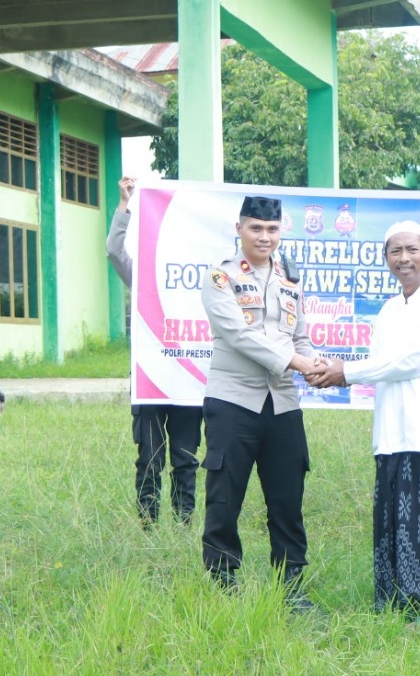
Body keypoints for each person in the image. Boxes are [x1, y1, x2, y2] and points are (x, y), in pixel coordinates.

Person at [307, 221, 420, 629]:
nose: (404, 258)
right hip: (392, 431)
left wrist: (347, 371)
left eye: (412, 249)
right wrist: (342, 370)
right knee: (394, 515)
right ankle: (397, 596)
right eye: (395, 251)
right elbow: (383, 367)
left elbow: (410, 361)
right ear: (386, 259)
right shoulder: (389, 308)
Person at [198, 195, 319, 611]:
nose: (264, 237)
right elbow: (239, 336)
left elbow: (299, 335)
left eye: (271, 229)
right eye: (256, 228)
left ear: (280, 231)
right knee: (224, 496)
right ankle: (222, 583)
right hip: (233, 400)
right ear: (239, 229)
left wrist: (313, 362)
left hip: (283, 403)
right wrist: (297, 362)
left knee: (287, 498)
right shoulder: (221, 277)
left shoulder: (290, 278)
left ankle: (290, 587)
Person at [107, 177, 203, 527]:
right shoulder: (143, 274)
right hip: (150, 379)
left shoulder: (204, 281)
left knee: (186, 457)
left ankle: (183, 524)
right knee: (149, 456)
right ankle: (148, 524)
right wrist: (124, 205)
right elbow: (114, 251)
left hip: (189, 381)